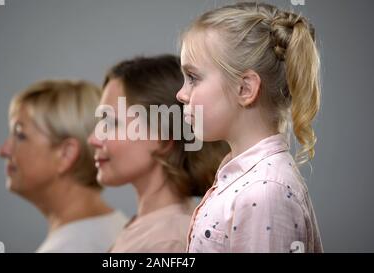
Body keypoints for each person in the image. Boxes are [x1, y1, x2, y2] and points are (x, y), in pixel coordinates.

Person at [176, 2, 323, 252]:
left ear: (245, 89)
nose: (181, 94)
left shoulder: (264, 193)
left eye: (193, 78)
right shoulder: (243, 177)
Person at [88, 55, 229, 252]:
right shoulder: (153, 230)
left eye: (111, 123)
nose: (93, 139)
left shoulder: (166, 243)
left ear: (163, 139)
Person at [0, 79, 128, 253]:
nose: (3, 150)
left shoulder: (72, 247)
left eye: (20, 135)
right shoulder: (120, 228)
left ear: (66, 154)